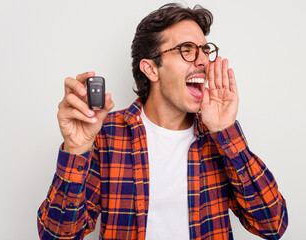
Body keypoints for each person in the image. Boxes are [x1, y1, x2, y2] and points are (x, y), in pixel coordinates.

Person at [37, 3, 288, 240]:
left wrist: (226, 131)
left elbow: (272, 224)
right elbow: (57, 236)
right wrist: (76, 149)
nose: (203, 61)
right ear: (151, 69)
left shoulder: (219, 137)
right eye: (187, 50)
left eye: (205, 50)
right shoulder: (107, 134)